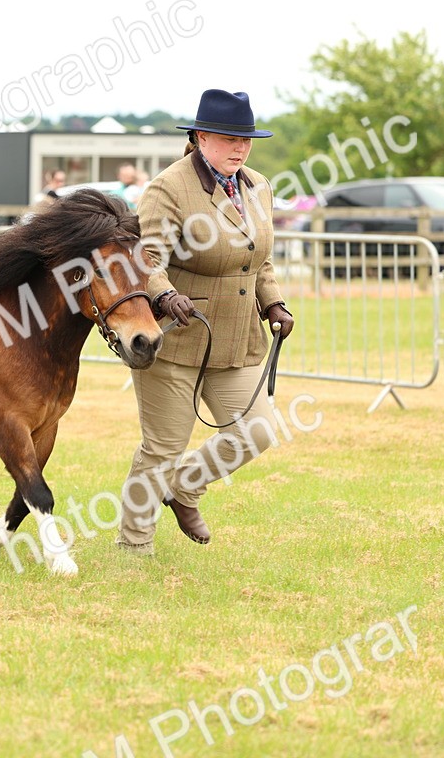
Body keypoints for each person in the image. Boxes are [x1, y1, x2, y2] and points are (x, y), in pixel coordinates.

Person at [116, 88, 294, 554]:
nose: (239, 147)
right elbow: (147, 257)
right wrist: (163, 292)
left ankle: (185, 489)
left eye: (247, 139)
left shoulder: (258, 185)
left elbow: (259, 261)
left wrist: (273, 303)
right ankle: (133, 546)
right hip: (178, 338)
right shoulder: (169, 187)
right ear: (199, 136)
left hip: (237, 339)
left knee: (257, 431)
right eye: (228, 137)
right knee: (162, 449)